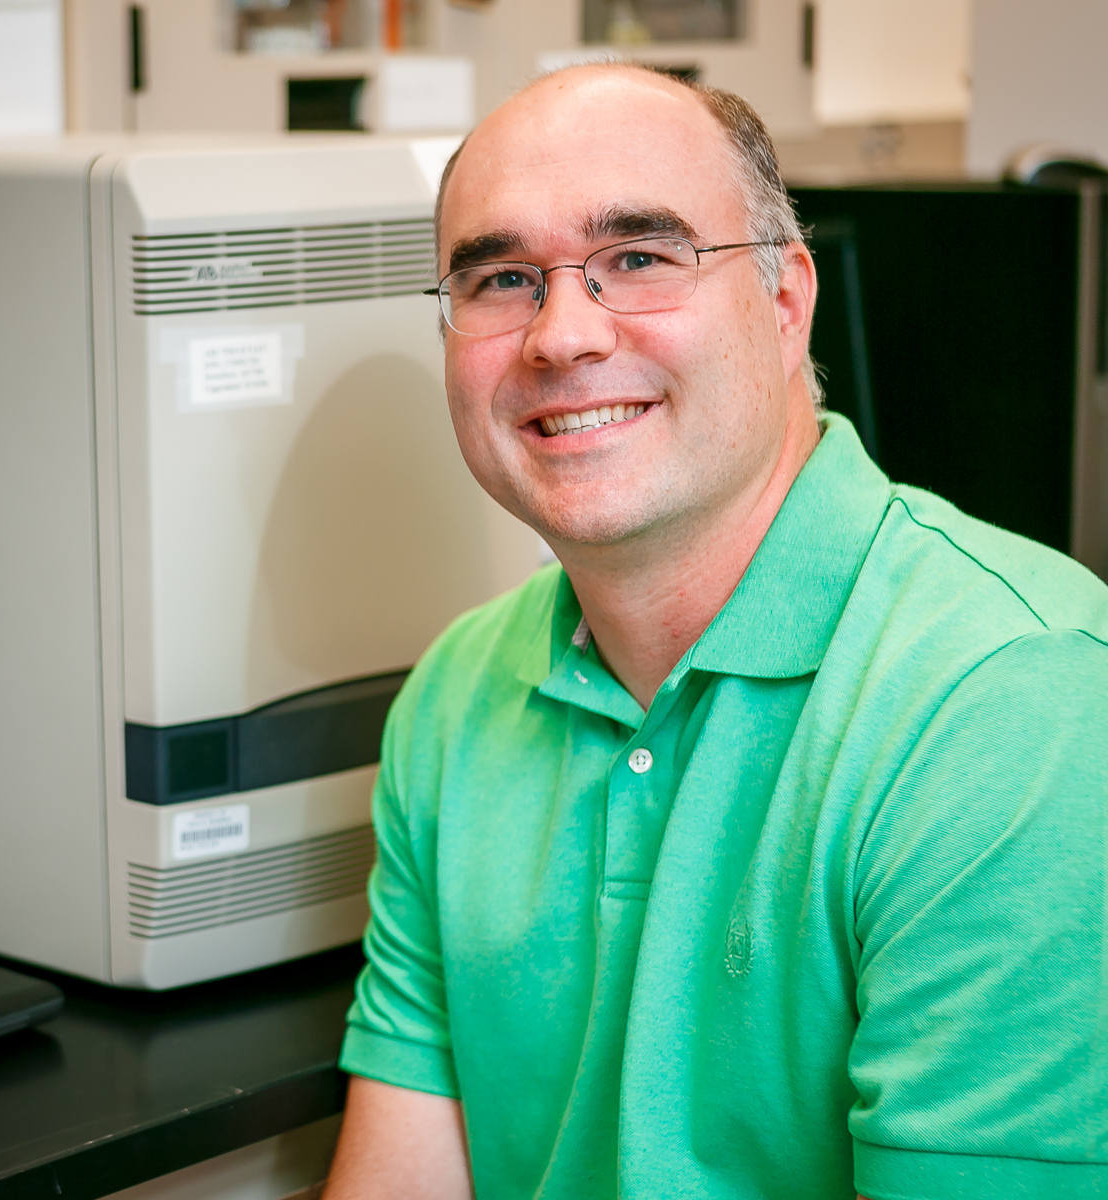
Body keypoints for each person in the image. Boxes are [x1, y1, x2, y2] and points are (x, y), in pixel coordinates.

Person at [322, 64, 1108, 1200]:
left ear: (787, 301)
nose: (561, 335)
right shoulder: (454, 696)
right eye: (501, 279)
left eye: (638, 258)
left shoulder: (1011, 704)